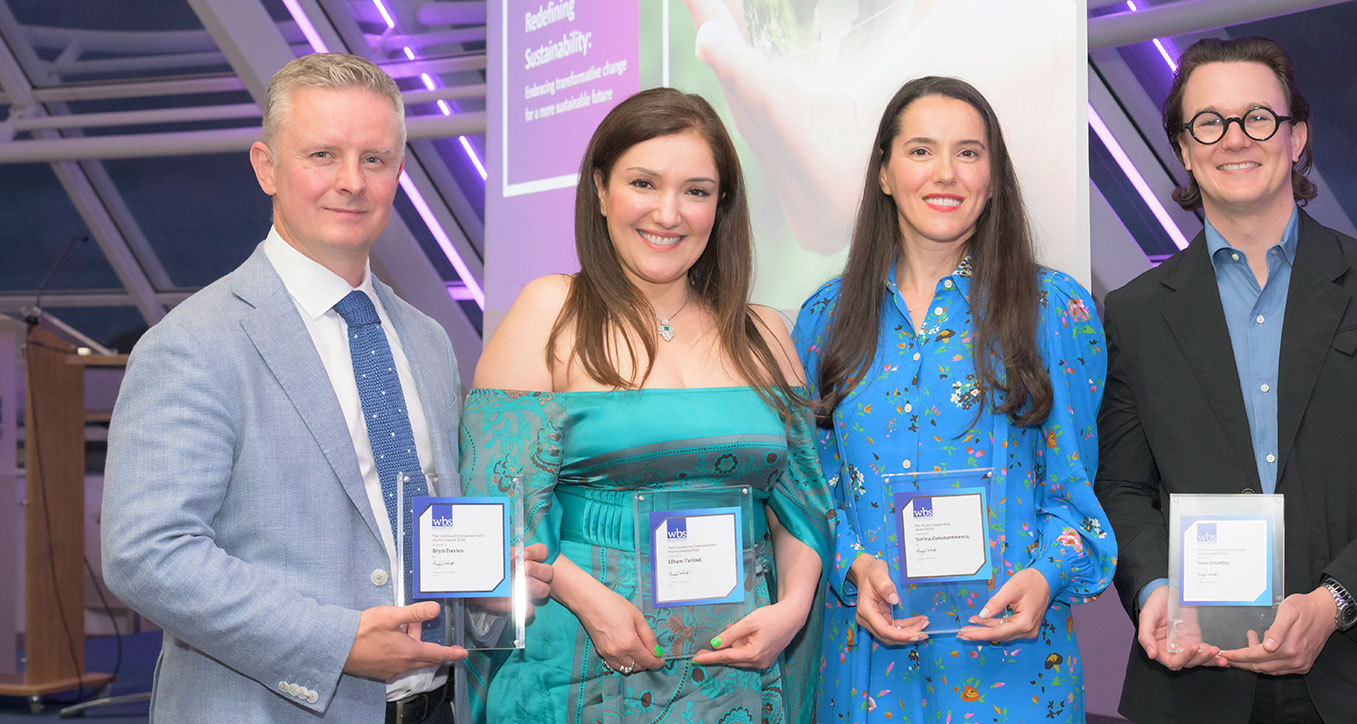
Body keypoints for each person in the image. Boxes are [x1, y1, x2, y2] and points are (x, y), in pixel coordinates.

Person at [101, 53, 551, 723]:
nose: (351, 182)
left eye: (375, 159)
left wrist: (480, 584)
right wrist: (335, 642)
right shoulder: (193, 343)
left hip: (432, 705)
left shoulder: (426, 340)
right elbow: (147, 555)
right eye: (322, 154)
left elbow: (410, 522)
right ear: (265, 166)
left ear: (399, 172)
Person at [1095, 37, 1357, 724]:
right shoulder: (1133, 313)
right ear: (1184, 149)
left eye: (1258, 118)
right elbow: (1123, 488)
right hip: (1200, 683)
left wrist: (1333, 602)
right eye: (1208, 122)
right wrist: (1155, 588)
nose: (1234, 138)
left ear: (1297, 136)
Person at [459, 87, 832, 723]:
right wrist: (587, 599)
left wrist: (791, 609)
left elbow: (801, 511)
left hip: (738, 675)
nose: (669, 212)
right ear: (601, 190)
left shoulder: (765, 332)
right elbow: (500, 514)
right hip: (582, 663)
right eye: (643, 183)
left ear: (722, 206)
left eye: (696, 190)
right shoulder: (550, 312)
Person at [791, 76, 1117, 723]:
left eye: (968, 152)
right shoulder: (824, 318)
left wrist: (1048, 575)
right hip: (864, 666)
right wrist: (851, 564)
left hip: (1012, 665)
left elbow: (1075, 490)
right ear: (884, 173)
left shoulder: (1055, 309)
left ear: (993, 178)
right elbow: (810, 489)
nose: (946, 172)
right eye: (920, 151)